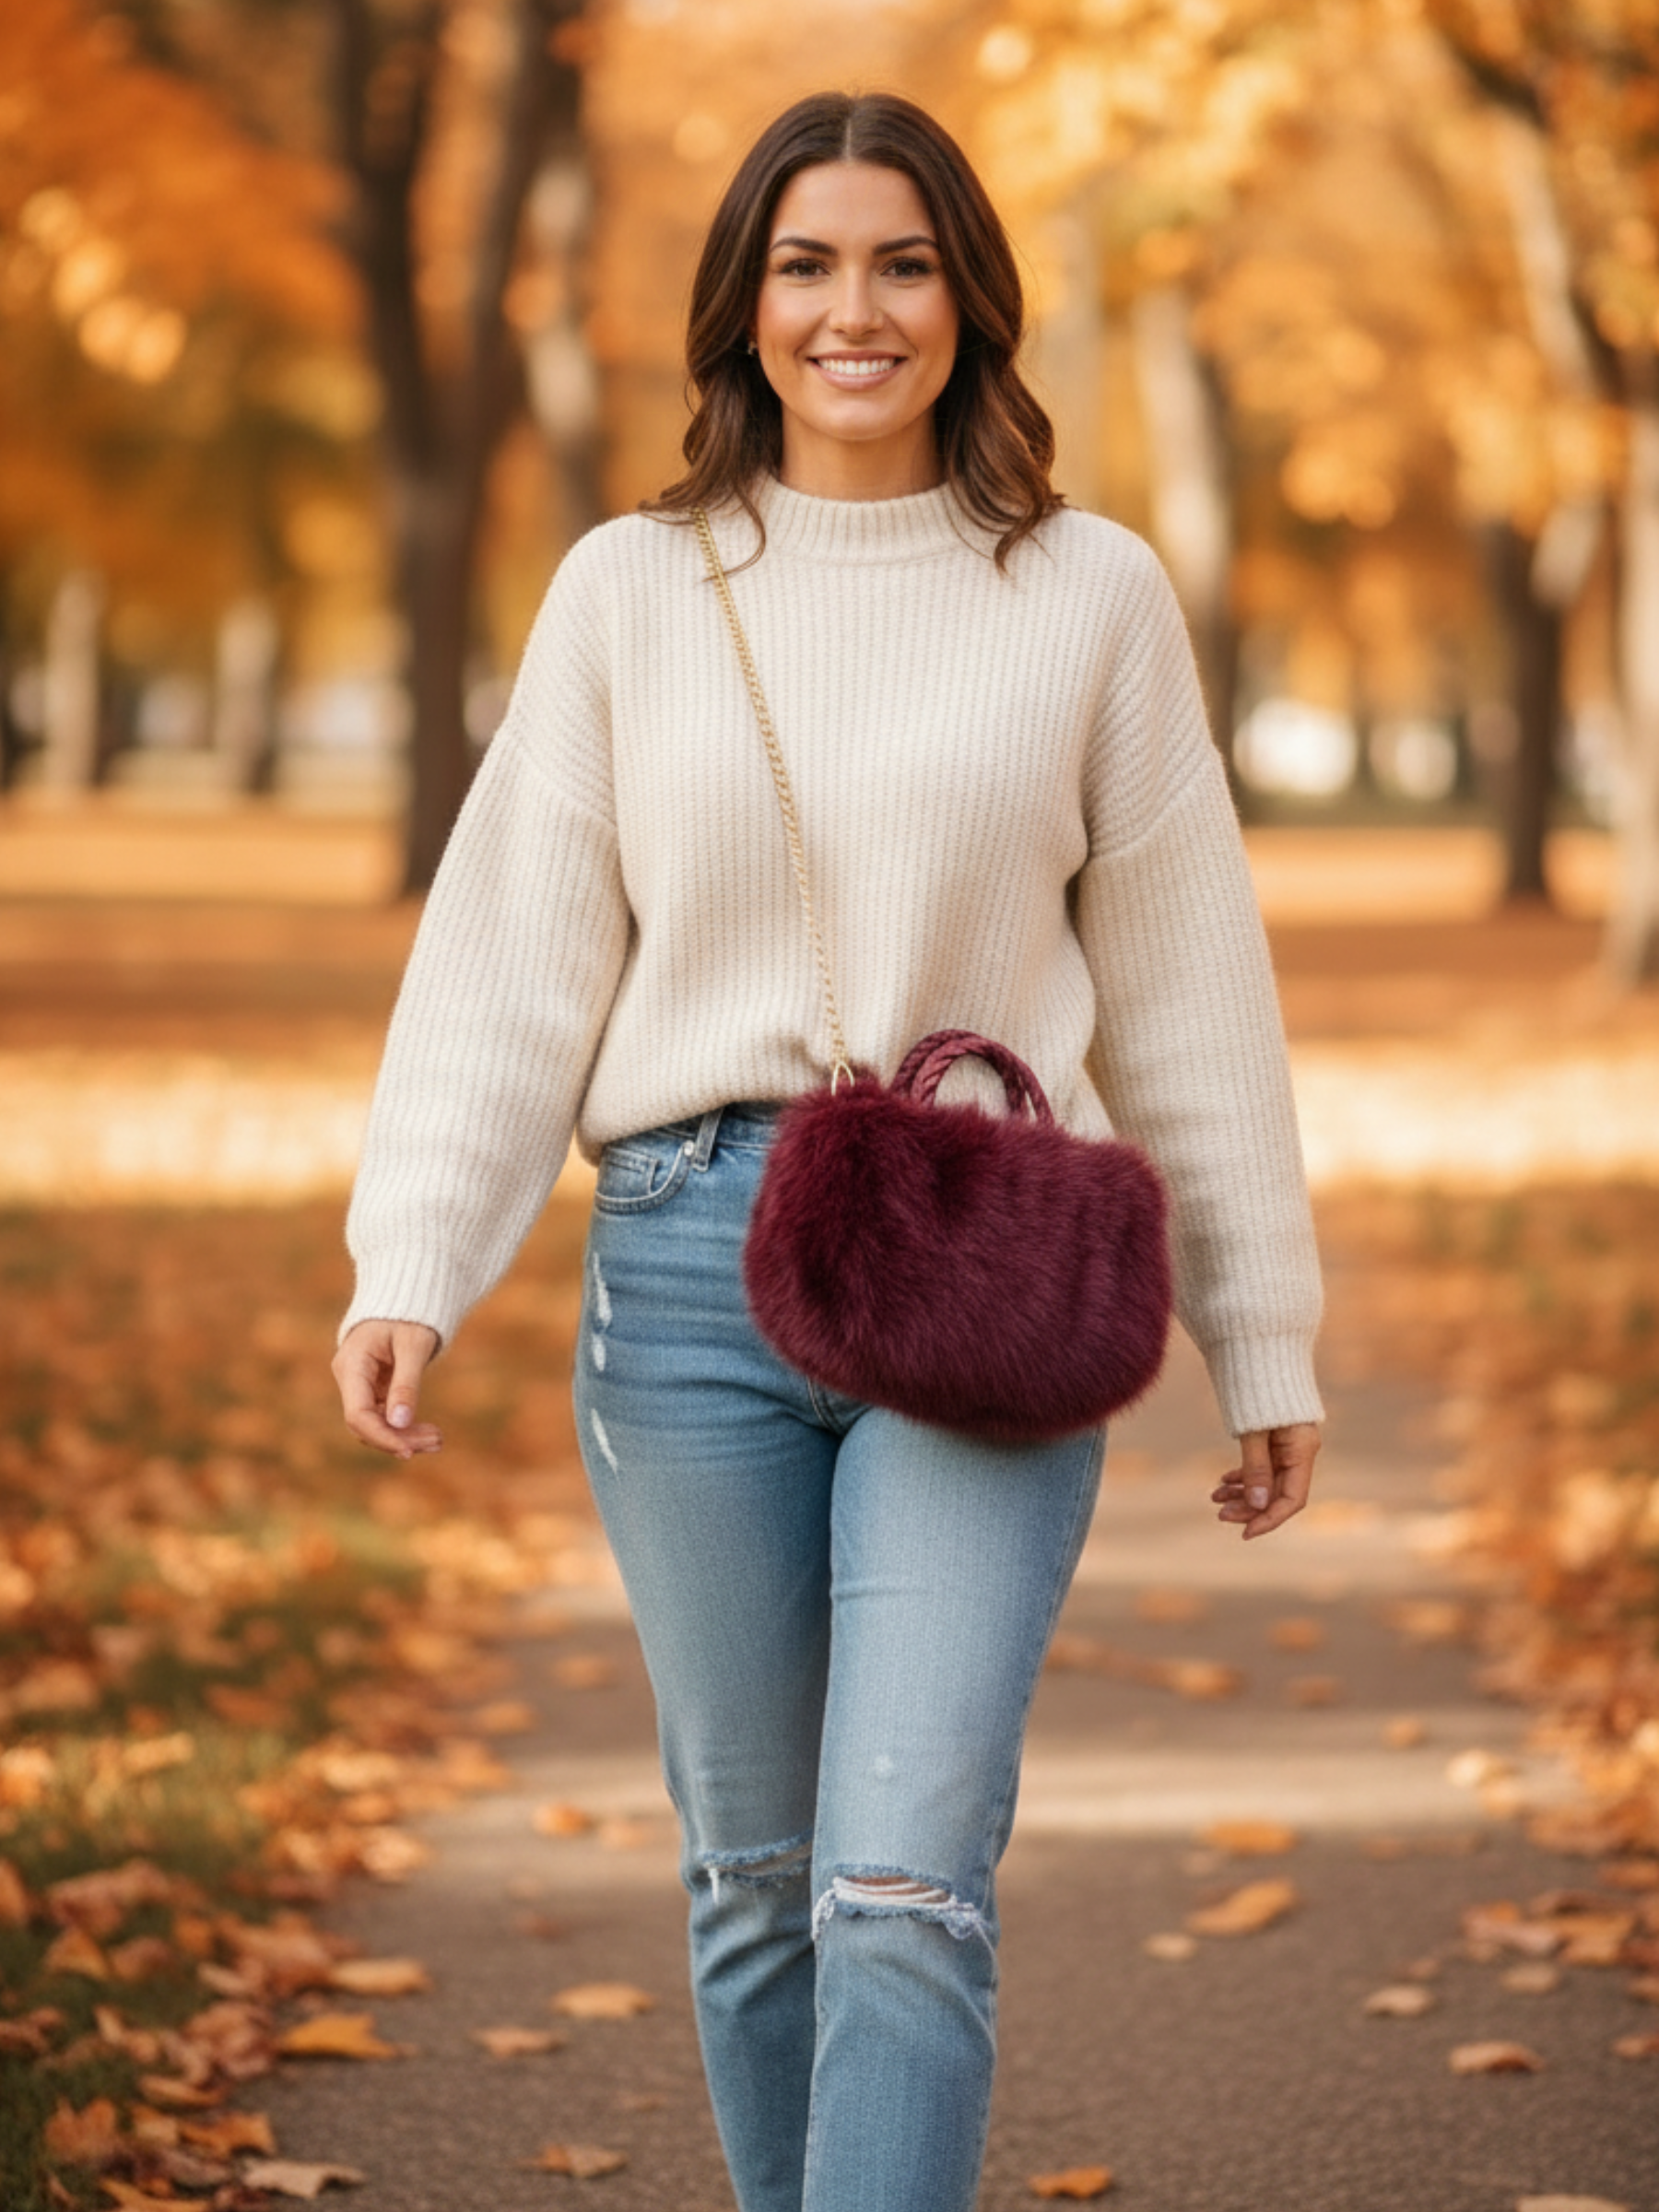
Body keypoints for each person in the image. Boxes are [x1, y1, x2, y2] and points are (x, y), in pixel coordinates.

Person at [333, 88, 1323, 2212]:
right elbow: (516, 956)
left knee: (901, 1882)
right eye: (805, 264)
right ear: (743, 305)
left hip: (970, 1277)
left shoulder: (1091, 595)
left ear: (968, 295)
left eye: (899, 261)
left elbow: (1187, 1000)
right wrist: (413, 1252)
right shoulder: (631, 588)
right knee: (762, 1876)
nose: (852, 310)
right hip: (690, 1269)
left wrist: (1267, 1341)